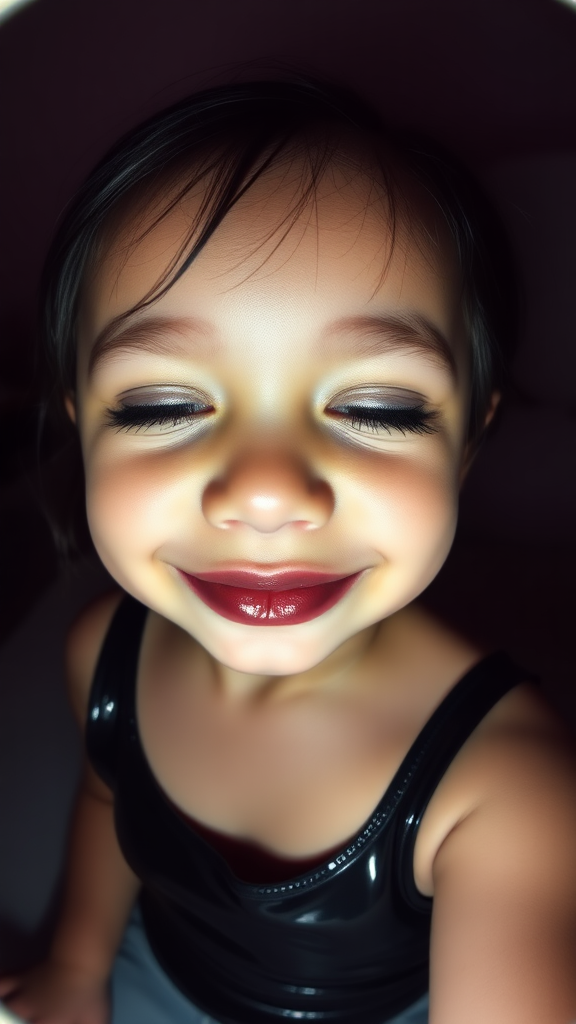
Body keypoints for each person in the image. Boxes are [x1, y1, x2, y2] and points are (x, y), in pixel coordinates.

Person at [1, 78, 575, 1024]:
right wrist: (73, 965)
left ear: (468, 442)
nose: (266, 492)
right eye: (160, 405)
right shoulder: (102, 653)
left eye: (378, 408)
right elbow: (111, 808)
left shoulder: (510, 787)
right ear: (81, 424)